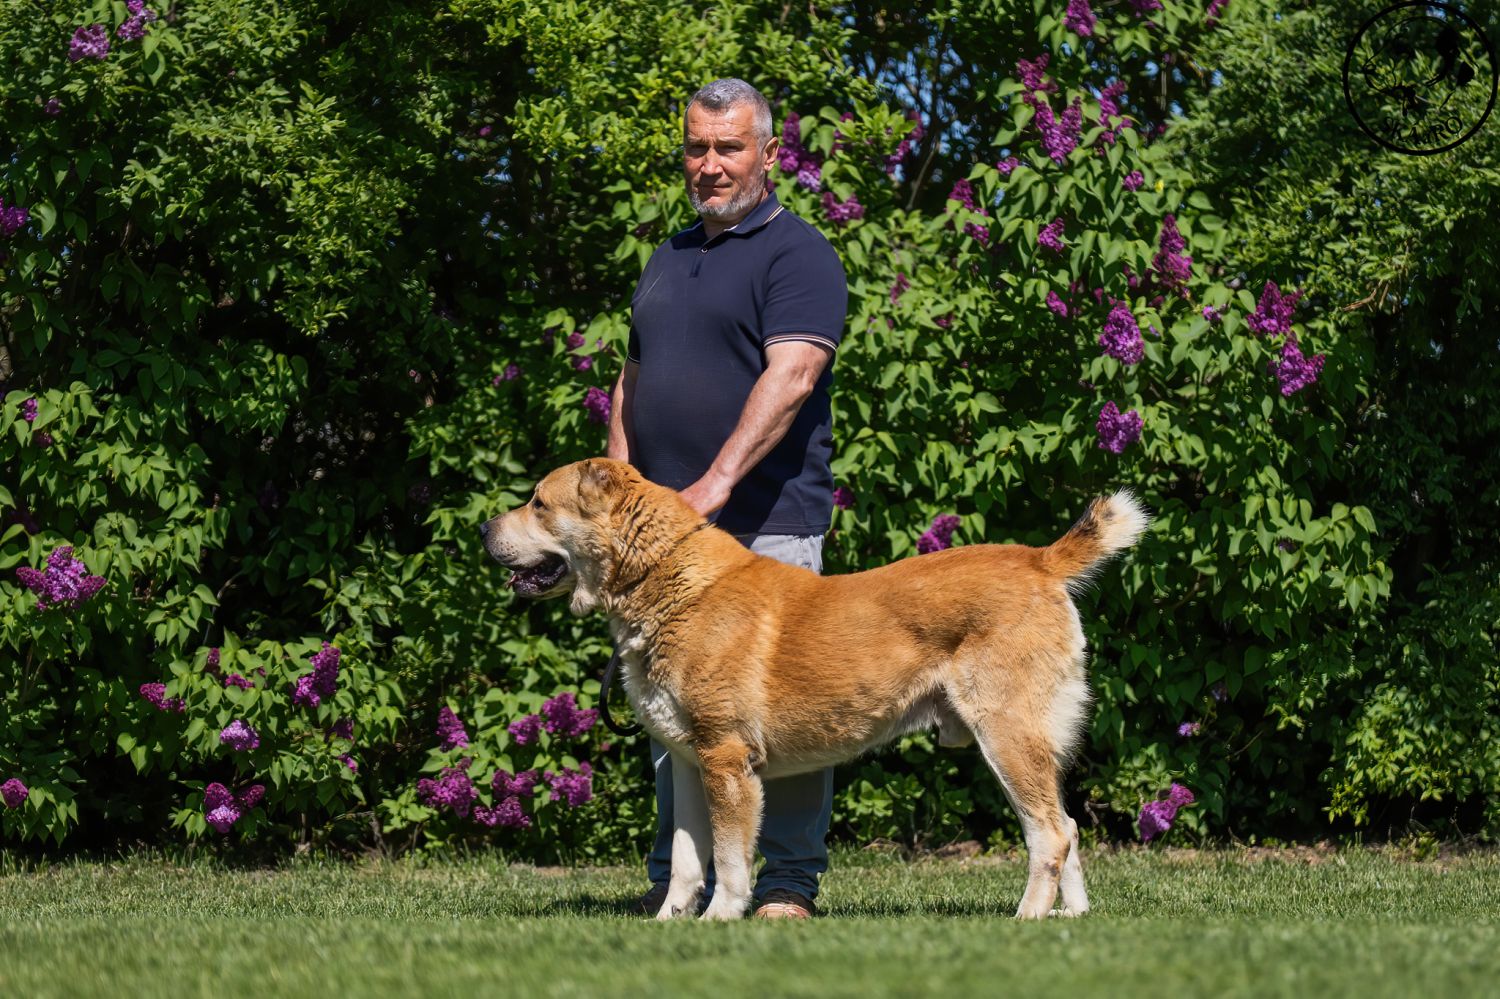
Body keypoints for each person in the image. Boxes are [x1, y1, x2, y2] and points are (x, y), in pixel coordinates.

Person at [605, 77, 848, 920]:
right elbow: (631, 378)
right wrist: (620, 493)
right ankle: (682, 881)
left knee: (795, 708)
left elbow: (794, 376)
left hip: (763, 522)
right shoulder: (668, 256)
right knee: (675, 709)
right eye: (696, 147)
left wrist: (714, 482)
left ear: (769, 154)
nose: (709, 164)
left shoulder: (798, 254)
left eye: (729, 147)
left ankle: (787, 882)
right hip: (664, 537)